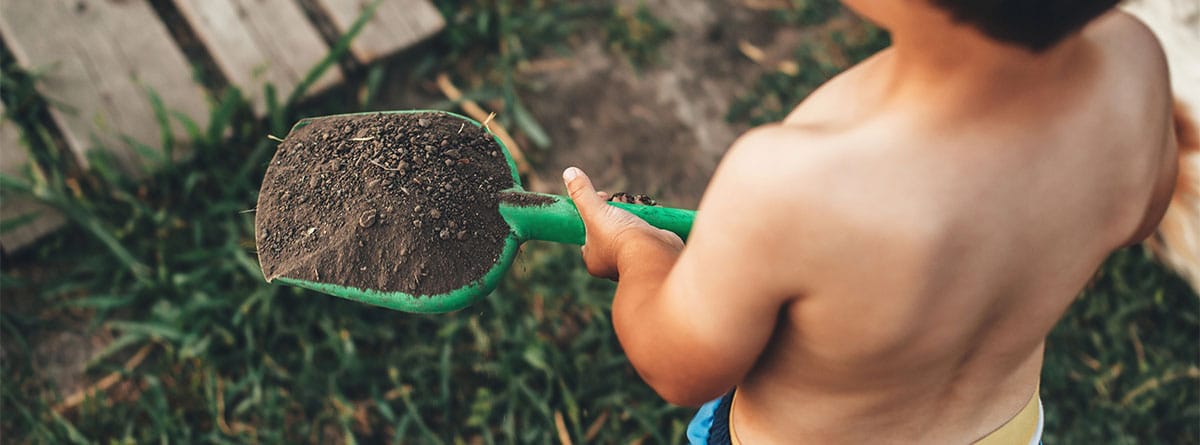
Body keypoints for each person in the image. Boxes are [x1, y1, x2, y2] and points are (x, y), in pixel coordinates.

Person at [561, 0, 1186, 443]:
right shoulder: (1134, 64)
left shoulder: (796, 181)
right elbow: (1141, 213)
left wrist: (636, 250)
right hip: (1005, 430)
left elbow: (679, 365)